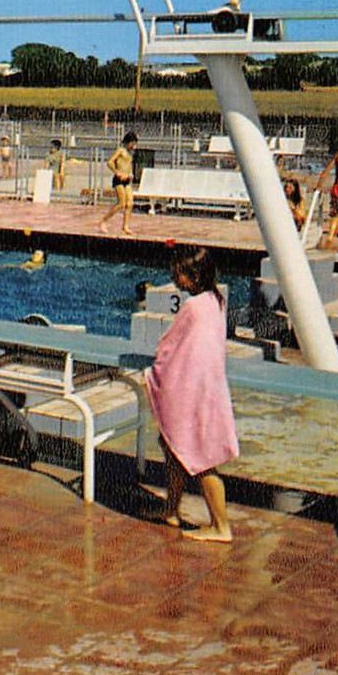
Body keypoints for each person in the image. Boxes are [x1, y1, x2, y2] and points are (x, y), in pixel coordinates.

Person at [146, 247, 238, 542]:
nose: (174, 277)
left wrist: (155, 371)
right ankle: (171, 509)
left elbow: (170, 347)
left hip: (192, 394)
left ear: (193, 277)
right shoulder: (215, 301)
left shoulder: (194, 307)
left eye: (179, 273)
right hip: (208, 390)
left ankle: (221, 526)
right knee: (173, 446)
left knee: (200, 459)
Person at [97, 131, 138, 236]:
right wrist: (117, 172)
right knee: (121, 204)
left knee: (130, 204)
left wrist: (131, 174)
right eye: (132, 143)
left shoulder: (130, 153)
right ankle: (103, 221)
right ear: (127, 142)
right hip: (119, 180)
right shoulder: (120, 151)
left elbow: (129, 165)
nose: (134, 146)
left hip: (127, 180)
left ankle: (125, 226)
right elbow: (110, 162)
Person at [313, 124, 338, 243]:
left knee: (335, 215)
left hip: (337, 188)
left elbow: (325, 172)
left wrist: (319, 185)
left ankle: (330, 237)